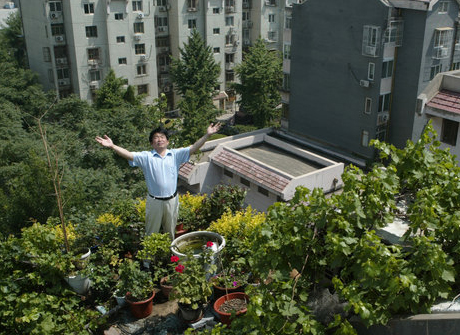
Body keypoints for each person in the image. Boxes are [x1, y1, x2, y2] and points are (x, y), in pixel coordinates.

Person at [95, 122, 221, 240]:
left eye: (162, 137)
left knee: (171, 231)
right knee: (151, 232)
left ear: (167, 141)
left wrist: (207, 135)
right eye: (156, 137)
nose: (159, 139)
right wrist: (112, 146)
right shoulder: (146, 157)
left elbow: (194, 147)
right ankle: (147, 262)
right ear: (152, 143)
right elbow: (128, 154)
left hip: (172, 200)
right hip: (154, 201)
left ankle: (170, 258)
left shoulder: (175, 155)